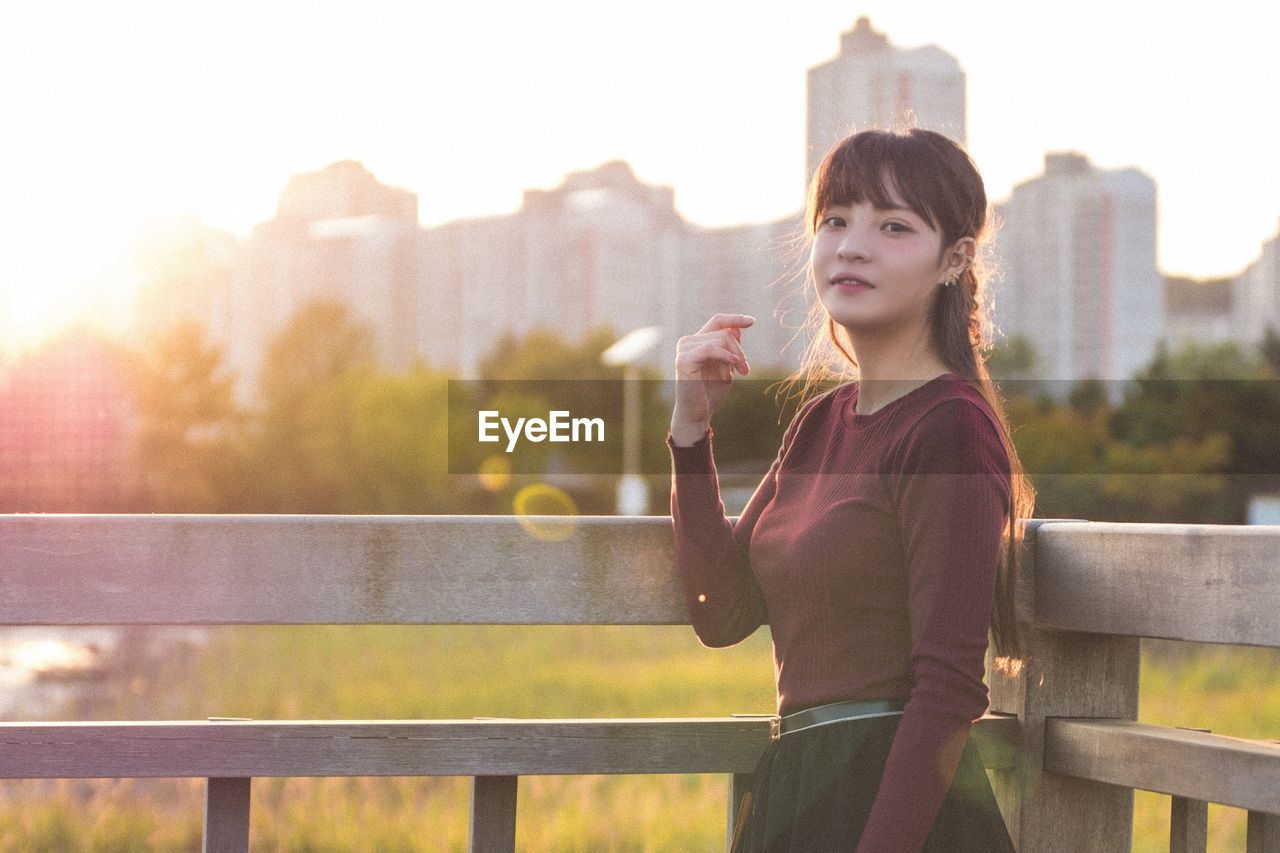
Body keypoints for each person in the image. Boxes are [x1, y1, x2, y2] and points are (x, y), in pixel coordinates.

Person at [666, 127, 1037, 852]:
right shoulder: (818, 423)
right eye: (835, 220)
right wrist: (689, 433)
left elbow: (948, 689)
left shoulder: (951, 428)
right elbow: (723, 610)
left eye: (893, 226)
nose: (852, 245)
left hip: (898, 809)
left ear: (954, 259)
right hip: (799, 788)